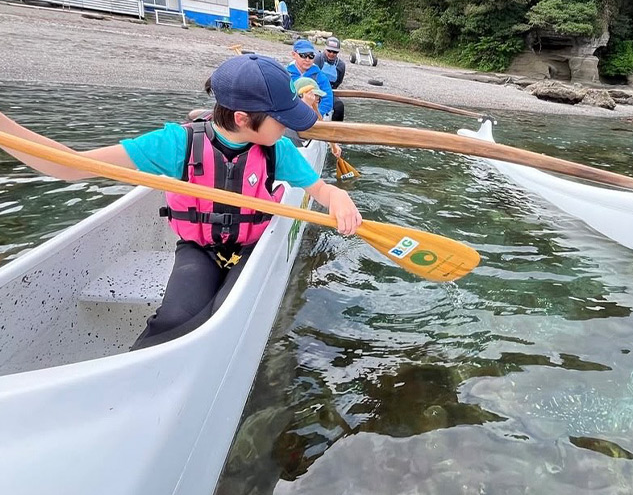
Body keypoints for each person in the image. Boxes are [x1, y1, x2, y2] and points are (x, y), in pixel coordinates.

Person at [0, 54, 362, 350]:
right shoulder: (176, 143)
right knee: (175, 319)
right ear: (242, 118)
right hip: (199, 248)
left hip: (253, 247)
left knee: (225, 312)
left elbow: (322, 191)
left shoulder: (277, 149)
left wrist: (339, 195)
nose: (288, 127)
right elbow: (68, 167)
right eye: (281, 119)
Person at [292, 76, 343, 159]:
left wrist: (333, 144)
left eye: (318, 99)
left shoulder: (314, 114)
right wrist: (306, 105)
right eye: (314, 97)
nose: (317, 100)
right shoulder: (289, 116)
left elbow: (320, 126)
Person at [287, 39, 333, 118]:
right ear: (294, 54)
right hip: (292, 114)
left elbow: (328, 98)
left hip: (315, 114)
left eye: (311, 56)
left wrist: (317, 114)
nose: (307, 59)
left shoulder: (320, 76)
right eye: (303, 55)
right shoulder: (286, 74)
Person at [314, 36, 346, 122]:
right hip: (315, 89)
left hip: (330, 91)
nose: (331, 54)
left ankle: (336, 129)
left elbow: (338, 82)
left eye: (334, 52)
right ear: (325, 49)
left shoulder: (341, 65)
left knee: (339, 106)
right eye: (329, 51)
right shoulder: (317, 59)